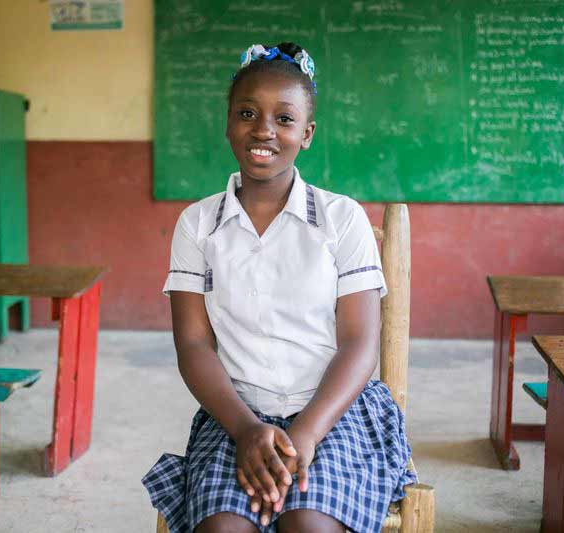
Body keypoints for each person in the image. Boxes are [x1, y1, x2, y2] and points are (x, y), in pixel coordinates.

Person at [143, 41, 416, 533]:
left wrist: (306, 434)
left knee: (308, 523)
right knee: (224, 527)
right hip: (234, 413)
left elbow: (360, 343)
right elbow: (193, 343)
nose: (264, 130)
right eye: (247, 113)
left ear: (307, 133)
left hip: (335, 412)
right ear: (228, 123)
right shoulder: (197, 224)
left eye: (284, 119)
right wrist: (247, 430)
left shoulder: (341, 219)